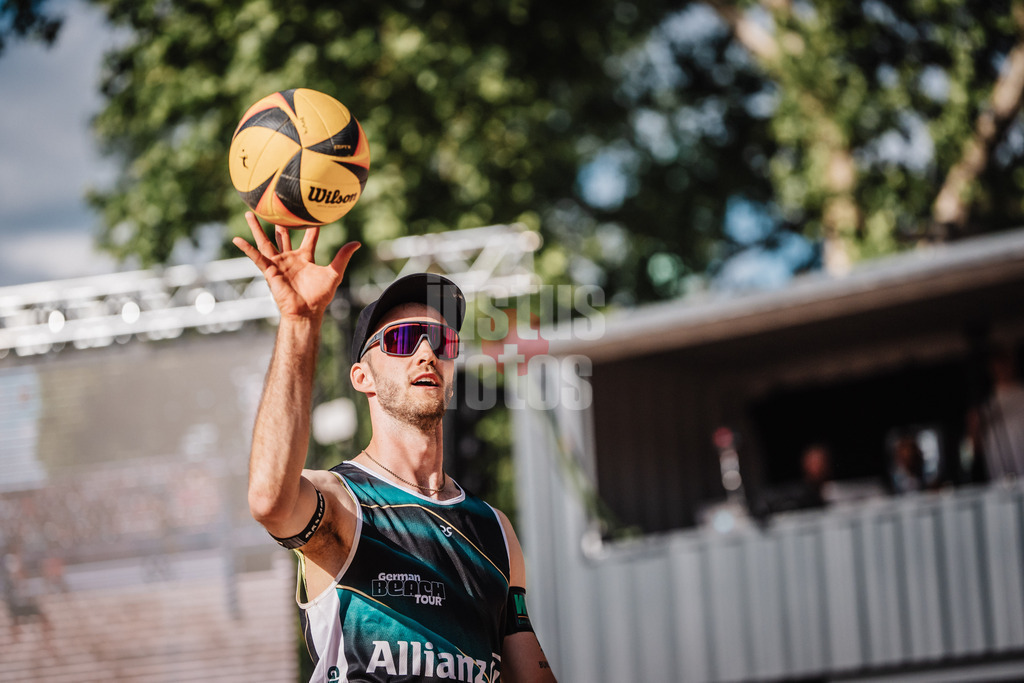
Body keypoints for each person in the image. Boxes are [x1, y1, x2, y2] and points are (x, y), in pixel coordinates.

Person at [233, 212, 556, 683]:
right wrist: (300, 322)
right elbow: (269, 500)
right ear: (363, 377)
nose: (427, 352)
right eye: (402, 340)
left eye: (442, 341)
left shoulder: (495, 531)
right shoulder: (344, 503)